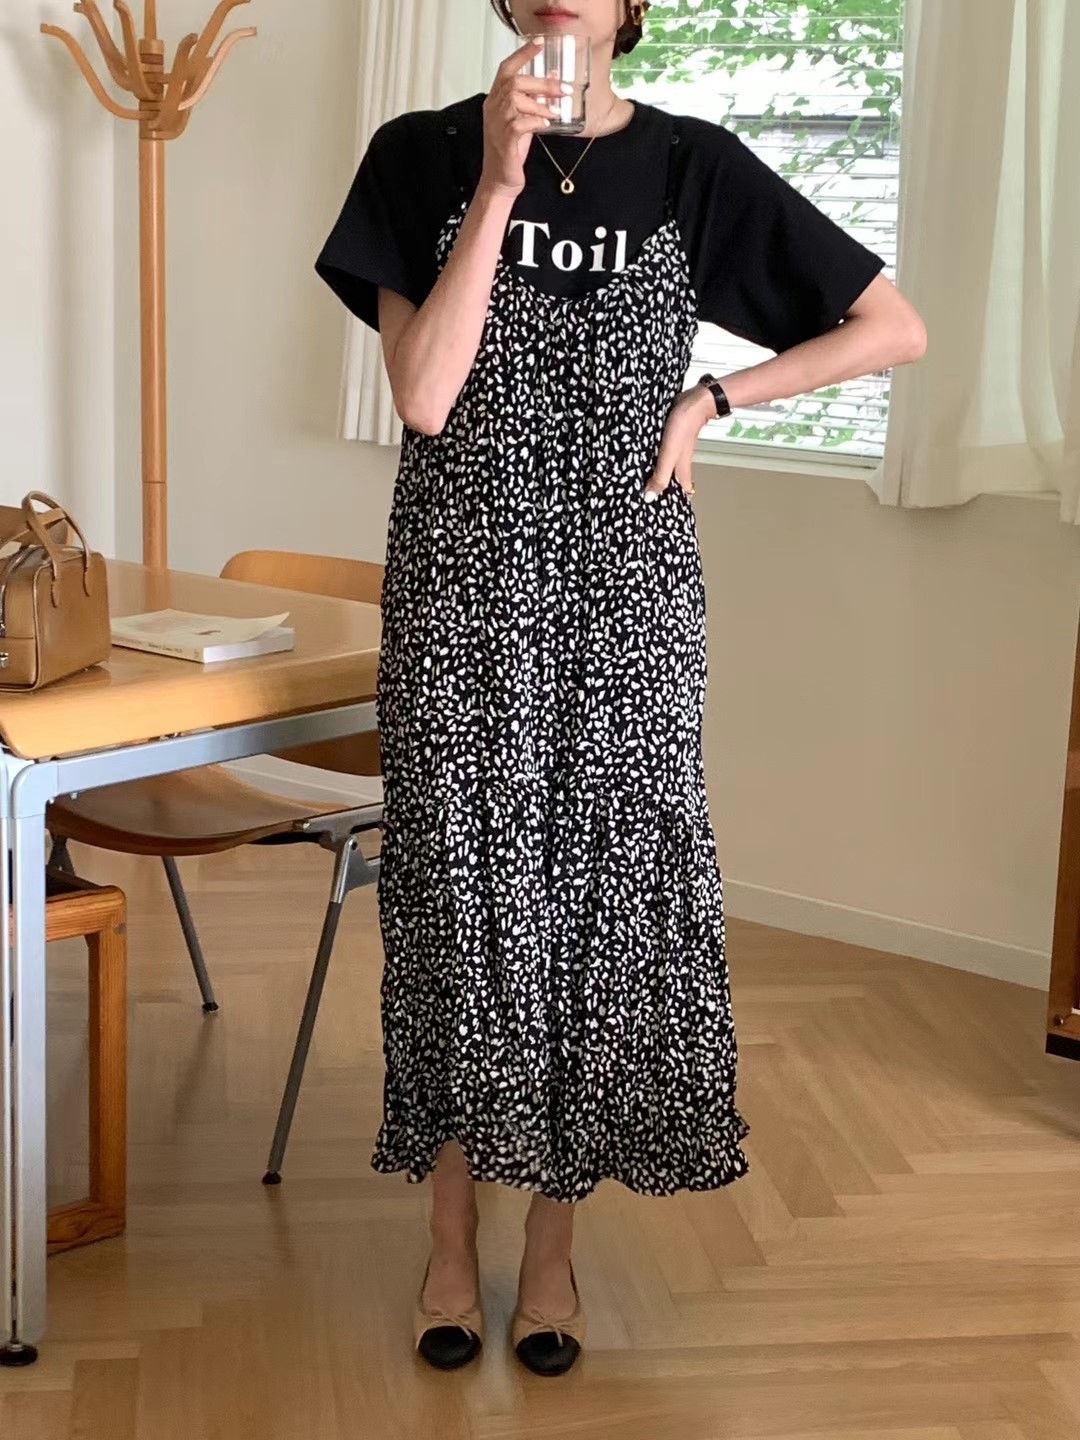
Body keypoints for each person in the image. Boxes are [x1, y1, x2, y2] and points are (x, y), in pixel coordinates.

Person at [315, 0, 927, 1379]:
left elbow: (893, 328)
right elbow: (425, 397)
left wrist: (714, 401)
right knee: (459, 912)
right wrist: (497, 182)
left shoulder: (693, 166)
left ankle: (553, 1251)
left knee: (598, 917)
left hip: (626, 597)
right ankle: (450, 1241)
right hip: (463, 590)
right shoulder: (420, 155)